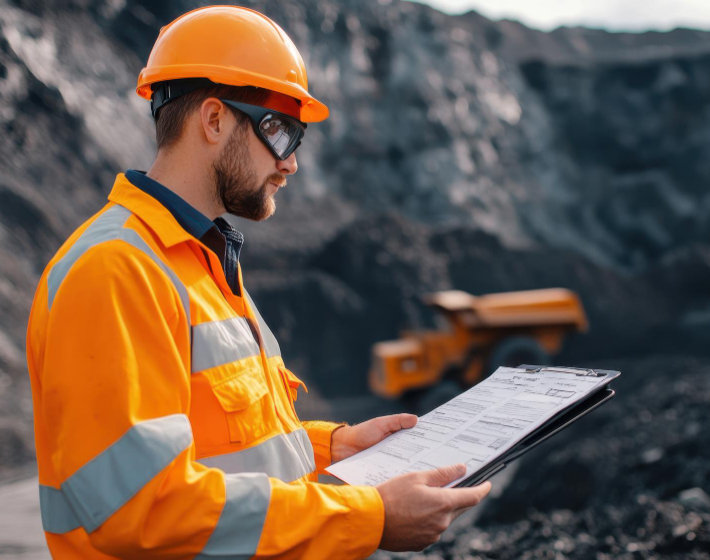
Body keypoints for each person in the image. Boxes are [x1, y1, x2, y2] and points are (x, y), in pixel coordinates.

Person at [25, 6, 490, 559]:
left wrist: (333, 449)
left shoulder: (200, 262)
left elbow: (226, 449)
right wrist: (370, 517)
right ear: (215, 120)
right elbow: (140, 508)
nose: (291, 164)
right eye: (279, 131)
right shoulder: (117, 271)